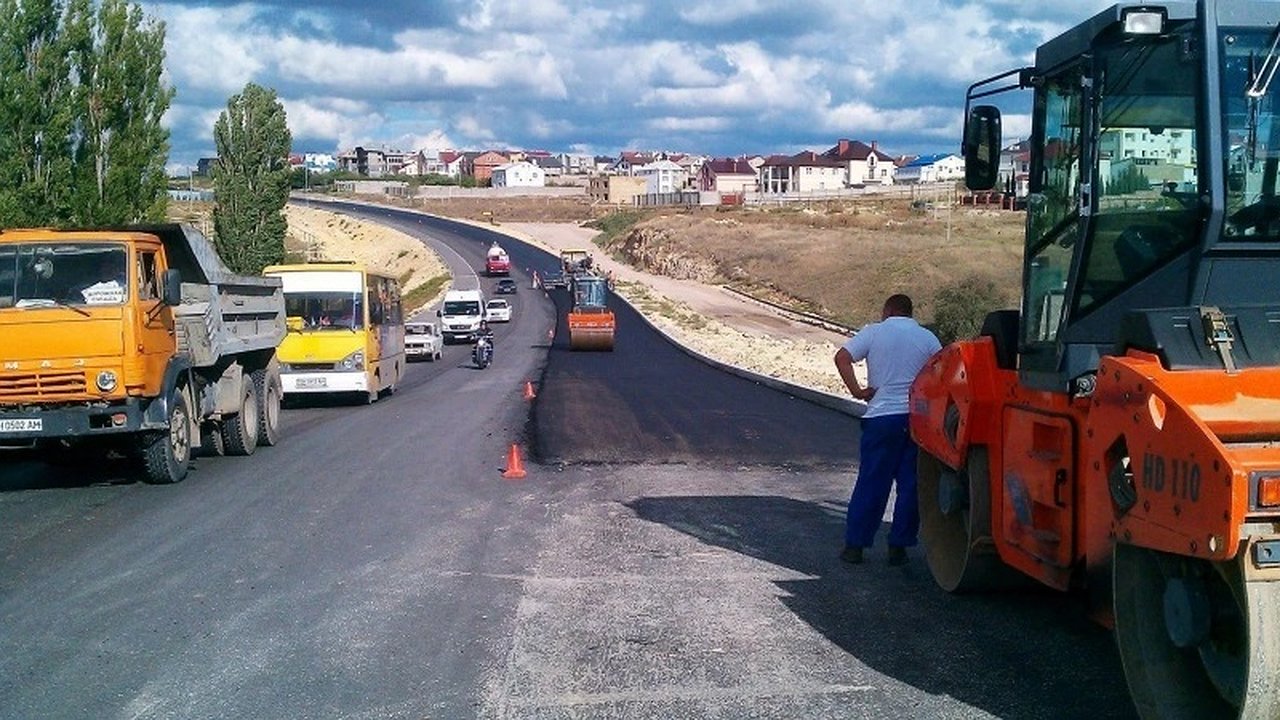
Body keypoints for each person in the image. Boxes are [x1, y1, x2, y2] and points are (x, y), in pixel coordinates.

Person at [833, 293, 941, 566]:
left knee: (872, 482)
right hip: (916, 421)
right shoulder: (928, 338)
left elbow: (842, 357)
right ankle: (899, 547)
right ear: (909, 312)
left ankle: (855, 547)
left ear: (887, 310)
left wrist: (857, 391)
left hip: (881, 418)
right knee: (911, 485)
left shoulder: (874, 332)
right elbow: (941, 374)